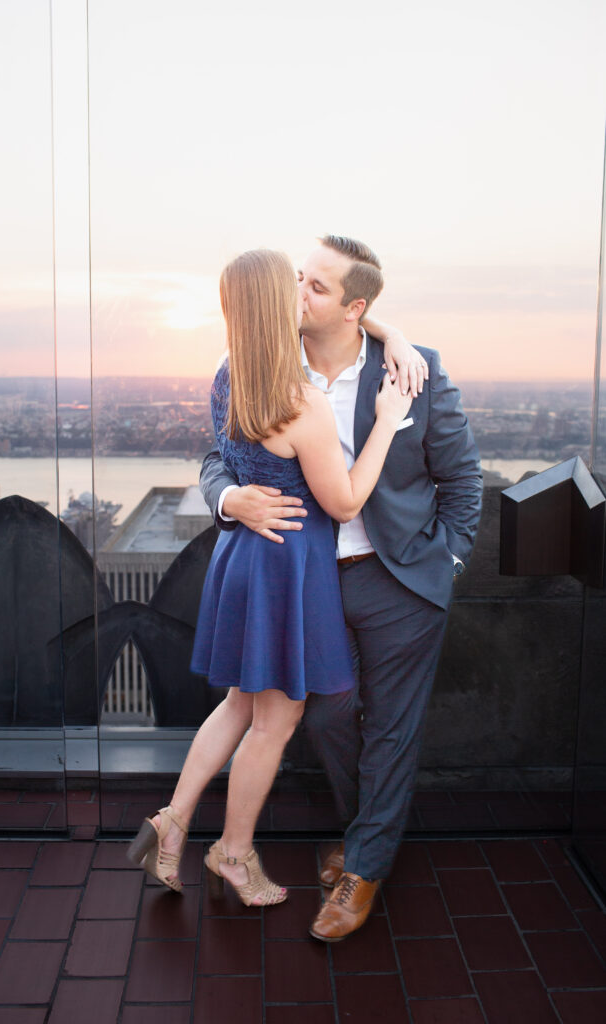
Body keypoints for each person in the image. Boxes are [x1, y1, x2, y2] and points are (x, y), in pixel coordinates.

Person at [200, 235, 483, 939]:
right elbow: (215, 458)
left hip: (398, 583)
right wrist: (228, 501)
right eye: (298, 277)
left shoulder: (414, 372)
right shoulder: (258, 365)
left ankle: (362, 868)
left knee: (390, 729)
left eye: (316, 287)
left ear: (354, 307)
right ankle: (366, 837)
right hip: (309, 585)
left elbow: (462, 479)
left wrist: (444, 564)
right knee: (325, 718)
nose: (297, 293)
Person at [128, 248, 412, 907]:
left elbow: (223, 453)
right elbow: (342, 502)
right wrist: (387, 425)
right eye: (292, 284)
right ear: (274, 304)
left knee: (237, 705)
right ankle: (232, 852)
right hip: (289, 564)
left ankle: (170, 823)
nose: (301, 291)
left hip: (242, 561)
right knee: (273, 723)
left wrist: (387, 331)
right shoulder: (301, 402)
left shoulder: (230, 376)